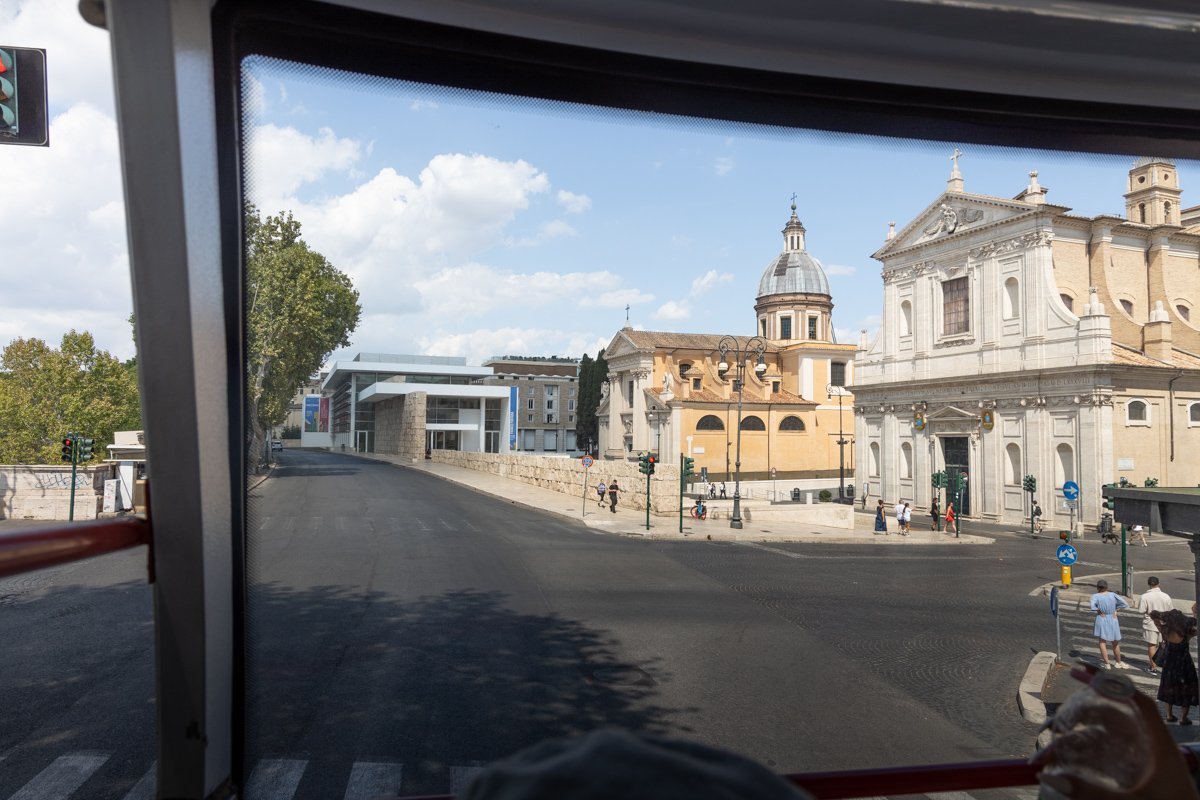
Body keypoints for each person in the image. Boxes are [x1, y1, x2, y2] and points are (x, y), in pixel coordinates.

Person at [1150, 608, 1199, 724]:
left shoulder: (1165, 630)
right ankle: (1183, 718)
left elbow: (1154, 617)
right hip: (1184, 664)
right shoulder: (1186, 632)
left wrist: (1161, 615)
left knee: (1169, 687)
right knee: (1187, 689)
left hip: (1169, 665)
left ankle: (1169, 715)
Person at [1090, 579, 1130, 670]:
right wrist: (1116, 610)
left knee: (1102, 642)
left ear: (1097, 587)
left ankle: (1107, 663)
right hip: (1112, 618)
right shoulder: (1113, 594)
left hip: (1102, 618)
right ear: (1106, 587)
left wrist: (1099, 610)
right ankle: (1118, 662)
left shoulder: (1095, 596)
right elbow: (1125, 604)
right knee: (1115, 642)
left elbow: (1093, 606)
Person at [1138, 576, 1173, 674]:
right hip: (1164, 624)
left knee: (1152, 645)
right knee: (1161, 645)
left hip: (1150, 624)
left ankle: (1153, 668)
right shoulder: (1166, 596)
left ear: (1149, 584)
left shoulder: (1145, 596)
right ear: (1159, 584)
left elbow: (1141, 610)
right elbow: (1171, 610)